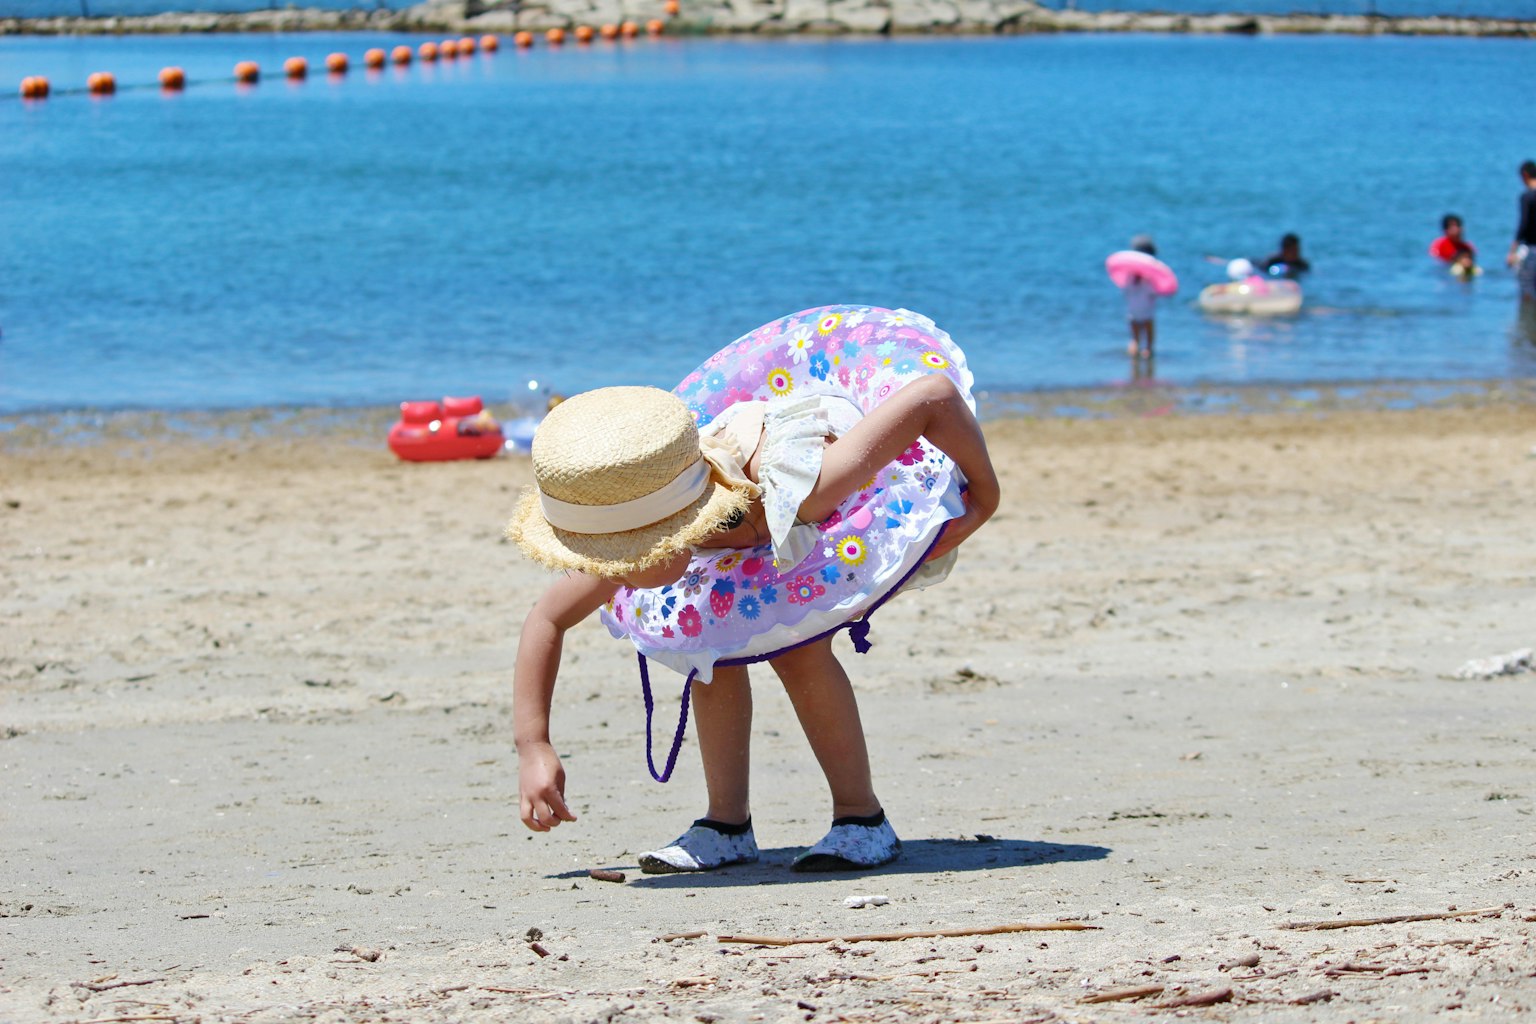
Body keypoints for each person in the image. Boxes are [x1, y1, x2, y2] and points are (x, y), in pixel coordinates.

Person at [506, 307, 1000, 875]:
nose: (609, 571)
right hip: (721, 506)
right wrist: (533, 746)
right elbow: (545, 621)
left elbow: (932, 395)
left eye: (624, 557)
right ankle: (727, 825)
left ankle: (862, 818)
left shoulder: (804, 487)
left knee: (802, 654)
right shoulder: (625, 534)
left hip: (785, 492)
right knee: (706, 648)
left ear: (670, 538)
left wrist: (985, 498)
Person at [1120, 234, 1159, 359]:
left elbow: (1125, 290)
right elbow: (1153, 292)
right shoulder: (1149, 276)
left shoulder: (1129, 274)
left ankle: (1133, 368)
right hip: (1147, 311)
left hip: (1133, 311)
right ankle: (1148, 362)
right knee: (1148, 344)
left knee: (1134, 340)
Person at [1507, 160, 1536, 302]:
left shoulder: (1527, 197)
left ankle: (1527, 323)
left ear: (1524, 175)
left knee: (1527, 290)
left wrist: (1512, 251)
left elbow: (1523, 224)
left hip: (1531, 249)